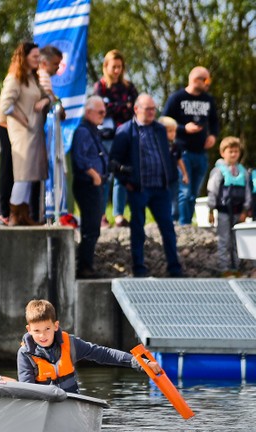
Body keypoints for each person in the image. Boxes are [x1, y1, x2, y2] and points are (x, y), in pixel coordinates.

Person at [109, 94, 183, 278]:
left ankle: (174, 267)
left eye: (153, 109)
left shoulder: (159, 129)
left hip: (160, 188)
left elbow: (168, 153)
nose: (152, 113)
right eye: (148, 109)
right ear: (136, 109)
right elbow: (114, 162)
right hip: (138, 189)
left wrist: (171, 176)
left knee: (168, 229)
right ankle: (139, 268)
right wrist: (127, 182)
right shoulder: (125, 131)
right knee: (138, 229)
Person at [17, 299, 161, 393]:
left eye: (47, 329)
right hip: (41, 406)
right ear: (29, 330)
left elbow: (104, 354)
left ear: (56, 326)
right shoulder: (25, 354)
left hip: (70, 403)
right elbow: (27, 390)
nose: (43, 336)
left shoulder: (71, 344)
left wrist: (141, 363)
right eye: (37, 331)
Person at [0, 42, 49, 226]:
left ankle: (24, 214)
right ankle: (14, 213)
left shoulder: (31, 78)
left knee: (30, 175)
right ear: (24, 57)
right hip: (22, 132)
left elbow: (46, 95)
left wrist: (45, 101)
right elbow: (5, 105)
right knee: (22, 174)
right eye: (34, 56)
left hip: (34, 133)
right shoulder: (14, 78)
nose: (38, 60)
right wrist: (22, 118)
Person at [164, 66, 219, 226]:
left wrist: (213, 136)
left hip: (201, 152)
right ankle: (181, 223)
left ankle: (186, 223)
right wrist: (183, 128)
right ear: (196, 79)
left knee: (193, 192)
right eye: (206, 79)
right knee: (184, 191)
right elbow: (164, 121)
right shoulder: (177, 98)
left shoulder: (208, 100)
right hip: (182, 151)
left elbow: (215, 121)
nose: (208, 83)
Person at [93, 50, 138, 228]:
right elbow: (102, 109)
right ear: (106, 67)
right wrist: (121, 106)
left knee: (122, 175)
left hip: (126, 136)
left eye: (120, 67)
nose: (117, 71)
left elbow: (134, 108)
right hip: (106, 138)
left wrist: (116, 106)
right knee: (106, 175)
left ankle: (119, 214)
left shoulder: (128, 87)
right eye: (114, 67)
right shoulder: (100, 86)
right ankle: (101, 214)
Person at [71, 96, 109, 279]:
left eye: (104, 111)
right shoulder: (83, 132)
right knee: (91, 227)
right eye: (100, 112)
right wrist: (94, 176)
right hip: (87, 186)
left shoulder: (93, 131)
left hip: (94, 185)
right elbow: (79, 158)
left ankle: (87, 265)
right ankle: (84, 267)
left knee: (93, 227)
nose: (103, 115)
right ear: (89, 112)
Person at [207, 137, 251, 276]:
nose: (233, 154)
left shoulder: (243, 172)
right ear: (223, 153)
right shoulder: (218, 171)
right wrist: (211, 210)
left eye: (236, 151)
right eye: (230, 151)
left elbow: (248, 192)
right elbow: (212, 191)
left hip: (239, 213)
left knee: (237, 241)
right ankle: (224, 268)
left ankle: (236, 267)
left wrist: (245, 210)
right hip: (223, 212)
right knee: (224, 240)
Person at [157, 116, 189, 221]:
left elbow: (179, 160)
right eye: (169, 131)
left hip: (174, 178)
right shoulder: (157, 146)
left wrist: (184, 174)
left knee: (175, 199)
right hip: (160, 179)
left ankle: (174, 219)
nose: (173, 134)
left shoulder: (176, 145)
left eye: (174, 131)